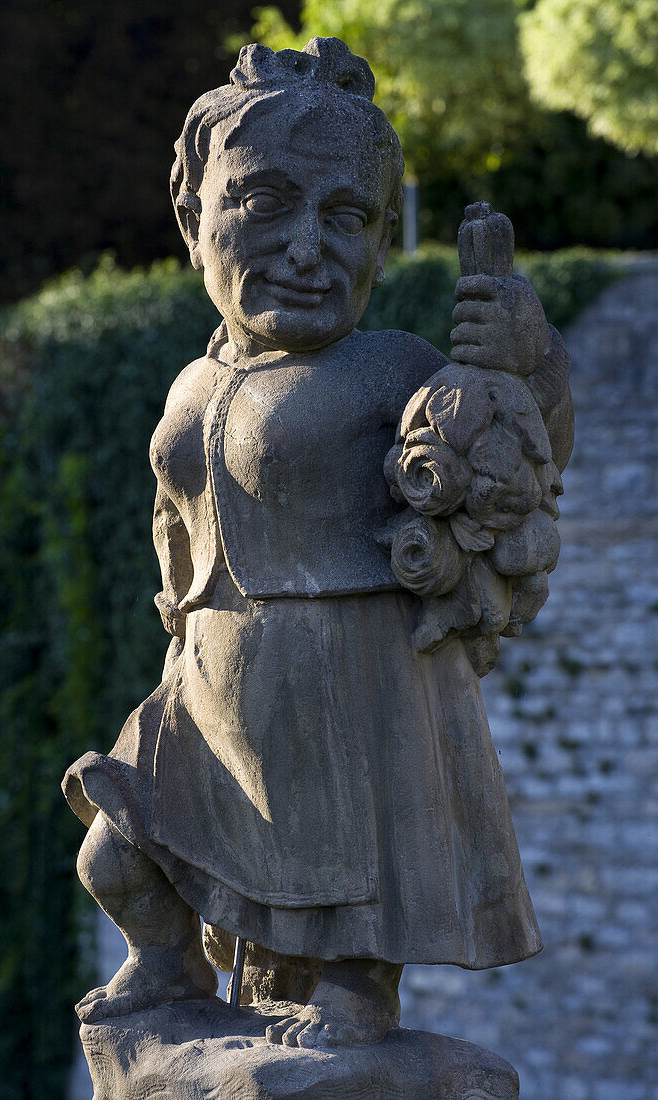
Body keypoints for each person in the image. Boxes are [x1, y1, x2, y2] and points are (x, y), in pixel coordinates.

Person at [63, 36, 573, 1050]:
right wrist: (176, 609)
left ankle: (355, 991)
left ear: (384, 241)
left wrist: (525, 358)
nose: (308, 246)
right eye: (265, 201)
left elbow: (517, 453)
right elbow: (176, 512)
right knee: (114, 851)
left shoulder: (393, 370)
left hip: (344, 674)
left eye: (345, 217)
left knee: (343, 872)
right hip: (205, 665)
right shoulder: (192, 382)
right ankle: (165, 960)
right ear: (191, 217)